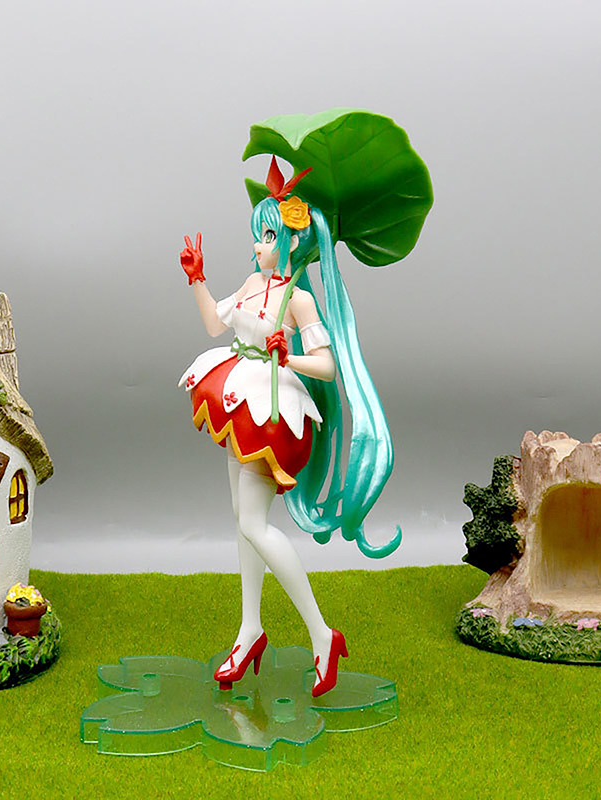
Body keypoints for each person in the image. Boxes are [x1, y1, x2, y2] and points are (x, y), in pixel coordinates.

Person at [178, 158, 399, 697]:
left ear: (292, 241)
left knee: (254, 525)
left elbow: (327, 366)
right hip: (238, 397)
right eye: (257, 236)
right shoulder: (253, 282)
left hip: (271, 412)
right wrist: (197, 278)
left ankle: (323, 634)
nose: (259, 246)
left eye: (269, 236)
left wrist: (287, 355)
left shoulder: (298, 298)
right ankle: (250, 629)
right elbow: (213, 324)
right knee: (242, 521)